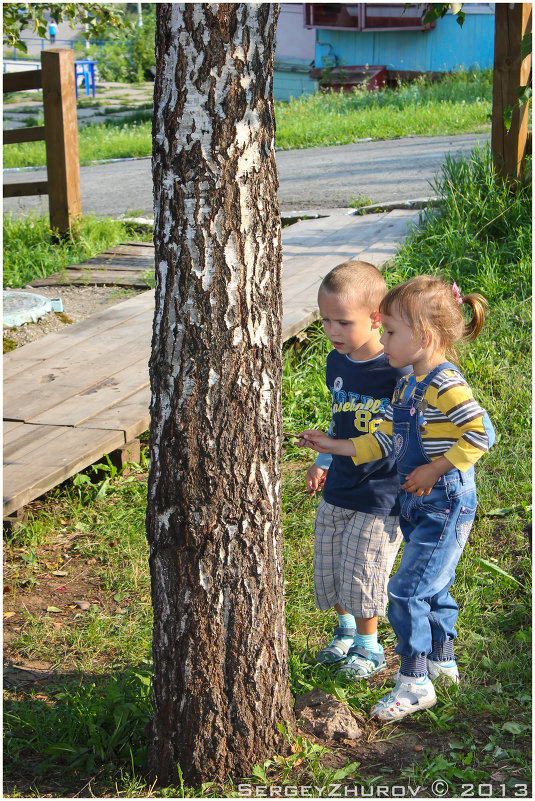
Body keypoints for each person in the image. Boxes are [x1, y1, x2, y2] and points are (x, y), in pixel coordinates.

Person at [297, 275, 495, 721]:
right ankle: (443, 662)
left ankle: (414, 681)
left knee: (404, 592)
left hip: (445, 499)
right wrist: (336, 448)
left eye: (389, 332)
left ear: (423, 337)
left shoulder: (445, 384)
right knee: (436, 583)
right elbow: (382, 440)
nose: (383, 339)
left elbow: (482, 433)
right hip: (418, 501)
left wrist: (436, 466)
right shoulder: (408, 386)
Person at [304, 260, 410, 680]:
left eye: (343, 322)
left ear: (375, 318)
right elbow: (340, 419)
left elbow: (401, 435)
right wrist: (323, 459)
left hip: (380, 493)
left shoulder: (396, 369)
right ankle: (346, 630)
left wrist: (336, 447)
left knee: (363, 570)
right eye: (325, 320)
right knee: (330, 563)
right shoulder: (337, 363)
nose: (332, 332)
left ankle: (371, 648)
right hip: (341, 485)